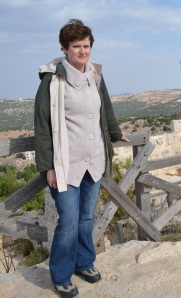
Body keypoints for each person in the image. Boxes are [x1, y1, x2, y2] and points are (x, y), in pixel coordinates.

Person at [34, 19, 128, 297]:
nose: (83, 51)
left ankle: (84, 263)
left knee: (87, 217)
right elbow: (42, 125)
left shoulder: (95, 75)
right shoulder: (52, 80)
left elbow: (106, 108)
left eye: (86, 45)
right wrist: (48, 165)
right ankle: (61, 275)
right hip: (65, 163)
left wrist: (115, 132)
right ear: (64, 48)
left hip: (95, 159)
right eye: (77, 46)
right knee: (68, 220)